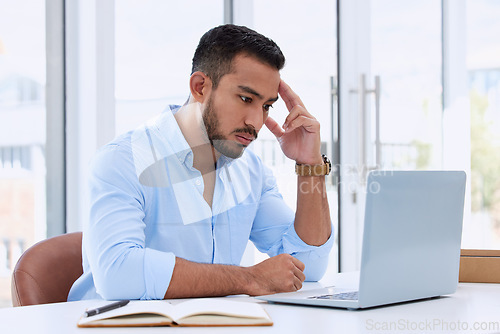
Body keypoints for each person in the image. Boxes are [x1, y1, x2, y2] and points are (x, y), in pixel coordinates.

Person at [68, 24, 333, 301]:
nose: (256, 122)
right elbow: (118, 274)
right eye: (245, 99)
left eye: (266, 106)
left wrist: (310, 165)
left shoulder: (251, 171)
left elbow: (308, 264)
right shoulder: (122, 161)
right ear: (200, 87)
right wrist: (249, 279)